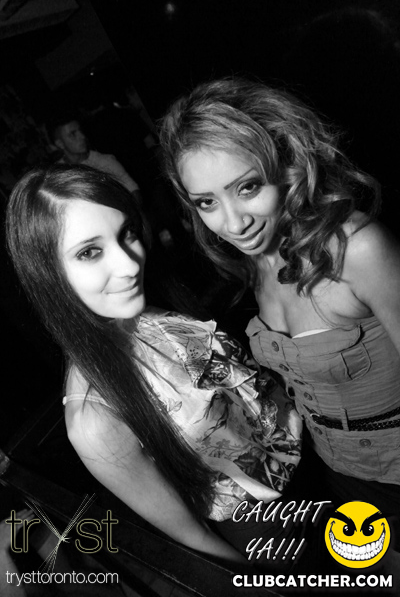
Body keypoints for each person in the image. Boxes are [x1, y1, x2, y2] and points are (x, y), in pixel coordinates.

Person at [6, 164, 302, 568]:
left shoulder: (142, 313)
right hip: (269, 526)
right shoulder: (94, 419)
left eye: (126, 233)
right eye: (90, 252)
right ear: (48, 274)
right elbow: (194, 540)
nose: (130, 265)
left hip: (308, 454)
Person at [159, 78, 400, 530]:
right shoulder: (254, 263)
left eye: (247, 187)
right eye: (207, 202)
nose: (233, 223)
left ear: (288, 165)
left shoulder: (357, 249)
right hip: (336, 473)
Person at [47, 117, 143, 204]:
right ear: (60, 143)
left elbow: (133, 190)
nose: (82, 136)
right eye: (73, 134)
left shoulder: (105, 161)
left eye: (80, 130)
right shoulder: (58, 174)